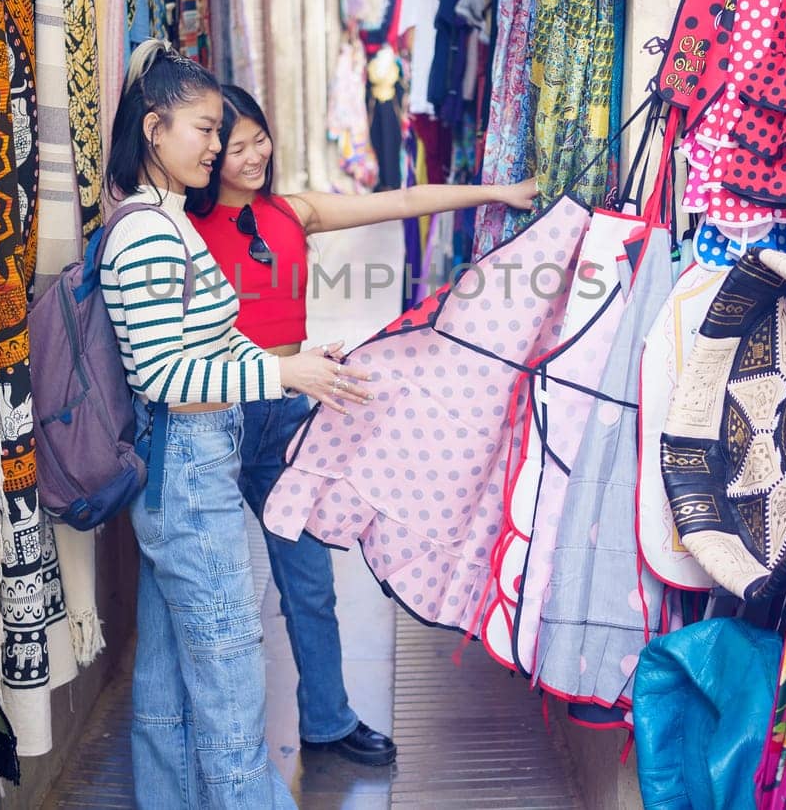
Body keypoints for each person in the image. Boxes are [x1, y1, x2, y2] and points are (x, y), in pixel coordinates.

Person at [186, 84, 537, 766]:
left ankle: (327, 720)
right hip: (210, 416)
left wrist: (495, 192)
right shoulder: (180, 227)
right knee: (215, 587)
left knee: (309, 581)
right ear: (206, 152)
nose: (255, 153)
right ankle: (212, 740)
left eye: (261, 137)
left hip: (290, 416)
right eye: (237, 145)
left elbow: (402, 201)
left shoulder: (293, 210)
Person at [100, 40, 374, 809]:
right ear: (154, 129)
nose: (218, 146)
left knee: (164, 681)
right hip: (186, 470)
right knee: (228, 676)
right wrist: (283, 372)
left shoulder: (161, 217)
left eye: (223, 131)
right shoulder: (151, 230)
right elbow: (162, 377)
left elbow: (197, 342)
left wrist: (293, 353)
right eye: (204, 129)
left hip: (183, 470)